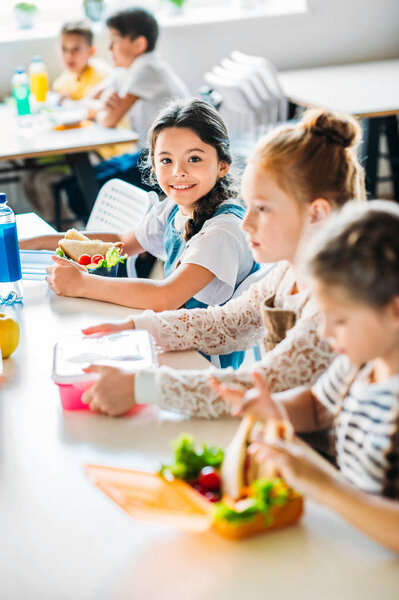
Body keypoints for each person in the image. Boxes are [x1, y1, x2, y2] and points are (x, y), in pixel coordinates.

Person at [75, 108, 366, 417]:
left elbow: (267, 386)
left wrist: (142, 387)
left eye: (263, 209)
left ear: (316, 214)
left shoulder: (334, 304)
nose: (246, 222)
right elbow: (227, 322)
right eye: (249, 206)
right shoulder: (286, 272)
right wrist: (136, 326)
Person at [212, 201, 399, 553]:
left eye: (340, 320)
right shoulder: (360, 365)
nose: (326, 331)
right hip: (350, 547)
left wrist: (324, 486)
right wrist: (275, 409)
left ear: (396, 310)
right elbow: (316, 406)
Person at [21, 98, 258, 367]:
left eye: (194, 158)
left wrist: (82, 284)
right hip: (168, 338)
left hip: (201, 360)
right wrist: (38, 241)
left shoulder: (222, 231)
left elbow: (165, 297)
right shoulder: (173, 208)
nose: (178, 172)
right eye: (166, 160)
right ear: (154, 167)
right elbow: (121, 243)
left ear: (222, 165)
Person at [63, 7, 189, 217]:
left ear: (139, 44)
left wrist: (100, 109)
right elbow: (87, 101)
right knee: (75, 182)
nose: (109, 48)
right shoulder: (126, 70)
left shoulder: (147, 67)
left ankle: (106, 239)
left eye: (115, 41)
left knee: (80, 190)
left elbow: (109, 119)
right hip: (147, 155)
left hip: (167, 162)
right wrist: (102, 103)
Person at [21, 21, 112, 224]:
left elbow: (97, 110)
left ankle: (66, 233)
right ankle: (54, 227)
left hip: (101, 152)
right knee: (28, 179)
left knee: (44, 182)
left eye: (76, 49)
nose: (69, 56)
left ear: (91, 51)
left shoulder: (101, 75)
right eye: (64, 49)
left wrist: (72, 105)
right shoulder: (65, 80)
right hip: (74, 153)